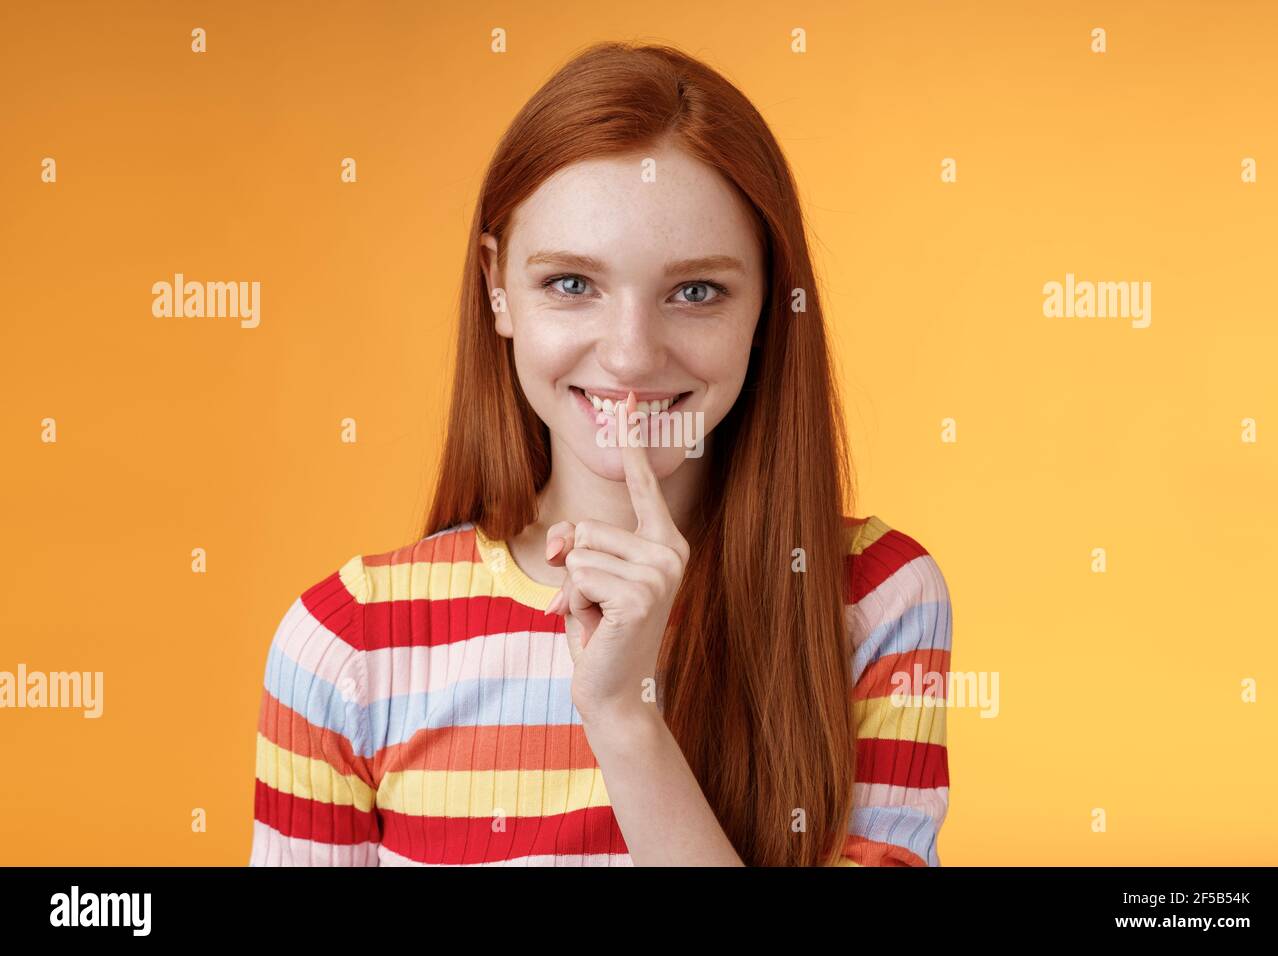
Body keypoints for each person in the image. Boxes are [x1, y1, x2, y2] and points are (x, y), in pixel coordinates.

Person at [249, 40, 952, 867]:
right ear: (497, 287)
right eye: (572, 284)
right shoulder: (346, 641)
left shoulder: (876, 602)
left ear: (770, 302)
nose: (629, 356)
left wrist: (624, 717)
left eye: (696, 292)